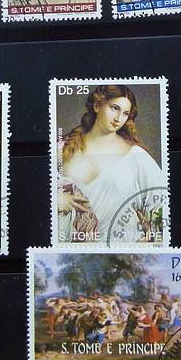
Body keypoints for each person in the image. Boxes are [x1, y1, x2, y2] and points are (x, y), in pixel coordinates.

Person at [57, 84, 166, 244]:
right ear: (97, 106)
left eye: (125, 113)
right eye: (114, 108)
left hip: (123, 250)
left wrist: (149, 243)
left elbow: (162, 207)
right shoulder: (62, 148)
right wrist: (56, 200)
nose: (118, 118)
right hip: (74, 251)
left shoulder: (136, 156)